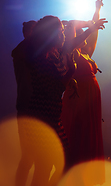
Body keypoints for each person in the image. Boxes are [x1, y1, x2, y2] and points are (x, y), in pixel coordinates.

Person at [17, 15, 74, 186]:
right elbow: (54, 89)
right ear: (53, 33)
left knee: (51, 165)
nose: (63, 34)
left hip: (51, 118)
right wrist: (71, 72)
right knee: (53, 164)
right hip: (42, 118)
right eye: (61, 31)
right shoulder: (41, 58)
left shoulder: (53, 54)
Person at [61, 0, 107, 184]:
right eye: (80, 34)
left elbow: (94, 35)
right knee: (78, 136)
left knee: (89, 136)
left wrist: (96, 11)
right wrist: (90, 25)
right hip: (78, 102)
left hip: (90, 103)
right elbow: (73, 25)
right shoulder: (69, 51)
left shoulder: (85, 54)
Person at [12, 20, 36, 186]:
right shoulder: (22, 51)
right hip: (28, 108)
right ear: (29, 33)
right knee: (28, 158)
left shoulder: (28, 50)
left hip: (32, 108)